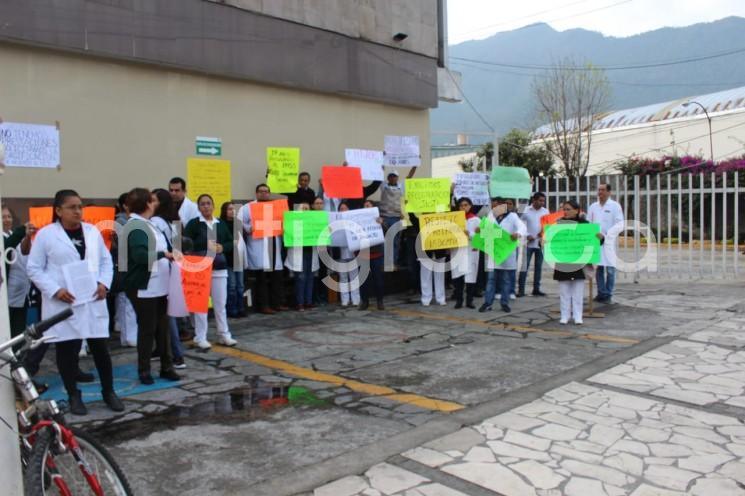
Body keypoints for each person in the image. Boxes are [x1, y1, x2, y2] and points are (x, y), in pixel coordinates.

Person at [27, 189, 124, 415]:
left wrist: (103, 283)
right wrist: (55, 290)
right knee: (67, 351)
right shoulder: (47, 235)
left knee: (101, 349)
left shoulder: (92, 232)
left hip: (92, 300)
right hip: (64, 303)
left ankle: (108, 391)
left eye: (80, 206)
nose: (78, 211)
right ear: (59, 210)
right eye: (72, 207)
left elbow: (106, 262)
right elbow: (34, 268)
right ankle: (73, 394)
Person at [121, 188, 181, 385]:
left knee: (162, 328)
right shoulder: (137, 226)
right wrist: (164, 255)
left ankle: (166, 366)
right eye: (152, 200)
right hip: (145, 287)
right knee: (147, 329)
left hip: (160, 285)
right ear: (147, 204)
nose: (155, 203)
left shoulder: (149, 224)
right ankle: (144, 370)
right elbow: (139, 256)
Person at [184, 194, 237, 350]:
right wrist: (200, 248)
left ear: (213, 206)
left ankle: (224, 334)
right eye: (202, 204)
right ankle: (200, 336)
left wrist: (223, 247)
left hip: (219, 268)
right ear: (199, 207)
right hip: (200, 269)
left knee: (220, 304)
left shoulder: (220, 223)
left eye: (208, 203)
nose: (206, 206)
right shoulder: (194, 224)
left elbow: (230, 241)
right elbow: (186, 243)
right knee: (201, 306)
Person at [150, 189, 187, 369]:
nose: (150, 203)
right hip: (176, 267)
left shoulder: (155, 222)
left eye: (153, 200)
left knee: (166, 314)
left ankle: (176, 354)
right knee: (167, 311)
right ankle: (162, 349)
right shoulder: (175, 220)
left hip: (164, 267)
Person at [237, 184, 287, 314]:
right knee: (262, 278)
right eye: (261, 191)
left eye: (266, 192)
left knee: (277, 277)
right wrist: (249, 228)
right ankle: (263, 305)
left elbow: (283, 221)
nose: (264, 194)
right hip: (259, 245)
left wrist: (284, 227)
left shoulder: (276, 207)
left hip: (274, 244)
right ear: (256, 193)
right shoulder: (248, 207)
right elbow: (239, 221)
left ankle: (277, 303)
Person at [552, 200, 604, 325]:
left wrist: (600, 238)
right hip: (564, 261)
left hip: (580, 262)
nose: (565, 211)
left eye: (568, 209)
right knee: (564, 291)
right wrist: (544, 242)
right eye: (564, 209)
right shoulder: (559, 224)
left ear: (577, 210)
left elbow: (595, 242)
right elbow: (550, 240)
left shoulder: (585, 225)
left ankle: (578, 316)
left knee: (578, 292)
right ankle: (565, 316)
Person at [478, 198, 525, 313]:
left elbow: (522, 227)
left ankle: (504, 303)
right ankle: (487, 303)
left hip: (506, 253)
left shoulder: (513, 216)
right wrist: (479, 230)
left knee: (505, 280)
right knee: (491, 280)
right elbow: (484, 231)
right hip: (493, 253)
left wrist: (518, 233)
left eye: (499, 205)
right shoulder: (490, 216)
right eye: (495, 206)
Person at [587, 183, 624, 304]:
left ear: (609, 192)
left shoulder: (615, 206)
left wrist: (606, 235)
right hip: (596, 241)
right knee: (598, 268)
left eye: (603, 190)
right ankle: (601, 293)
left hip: (609, 243)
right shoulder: (593, 206)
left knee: (610, 270)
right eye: (599, 190)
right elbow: (588, 223)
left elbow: (619, 224)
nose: (600, 192)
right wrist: (593, 234)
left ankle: (608, 294)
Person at [284, 202, 319, 311]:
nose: (305, 210)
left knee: (310, 278)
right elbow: (288, 234)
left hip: (311, 252)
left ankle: (308, 302)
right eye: (303, 208)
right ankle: (300, 303)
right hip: (298, 254)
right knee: (301, 278)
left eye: (307, 208)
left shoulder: (314, 222)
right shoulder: (293, 222)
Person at [379, 168, 416, 267]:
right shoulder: (384, 186)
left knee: (395, 241)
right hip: (385, 218)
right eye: (391, 176)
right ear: (388, 178)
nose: (392, 178)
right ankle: (384, 263)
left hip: (396, 218)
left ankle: (393, 262)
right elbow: (377, 176)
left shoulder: (401, 186)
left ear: (397, 178)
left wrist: (415, 165)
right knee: (385, 241)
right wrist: (379, 165)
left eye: (394, 176)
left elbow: (409, 177)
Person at [220, 201, 247, 318]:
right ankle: (232, 309)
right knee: (231, 286)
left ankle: (241, 308)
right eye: (229, 209)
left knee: (240, 286)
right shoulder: (221, 224)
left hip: (239, 257)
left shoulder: (238, 224)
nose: (232, 211)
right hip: (228, 258)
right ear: (224, 211)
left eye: (233, 209)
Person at [518, 192, 548, 297]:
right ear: (534, 200)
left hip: (540, 243)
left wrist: (543, 233)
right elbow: (519, 224)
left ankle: (536, 289)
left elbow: (548, 225)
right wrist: (527, 235)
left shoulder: (545, 211)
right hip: (528, 243)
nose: (542, 203)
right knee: (524, 267)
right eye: (540, 200)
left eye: (543, 201)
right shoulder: (526, 211)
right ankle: (521, 290)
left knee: (538, 267)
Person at [451, 197, 480, 309]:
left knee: (470, 277)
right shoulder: (453, 220)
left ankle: (469, 300)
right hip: (457, 251)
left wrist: (471, 234)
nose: (463, 207)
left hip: (470, 251)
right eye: (461, 205)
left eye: (466, 205)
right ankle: (459, 300)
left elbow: (482, 236)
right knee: (458, 277)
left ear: (470, 206)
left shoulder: (476, 220)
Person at [358, 200, 386, 311]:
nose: (366, 207)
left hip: (376, 253)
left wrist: (382, 223)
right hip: (362, 254)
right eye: (364, 205)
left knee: (378, 279)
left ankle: (380, 301)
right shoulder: (357, 219)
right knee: (363, 280)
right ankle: (364, 301)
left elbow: (386, 231)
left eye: (368, 205)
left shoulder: (378, 218)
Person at [335, 201, 361, 307]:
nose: (343, 210)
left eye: (345, 208)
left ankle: (356, 299)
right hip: (340, 254)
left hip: (352, 254)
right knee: (343, 278)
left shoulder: (354, 222)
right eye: (341, 209)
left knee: (354, 277)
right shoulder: (335, 223)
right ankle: (345, 300)